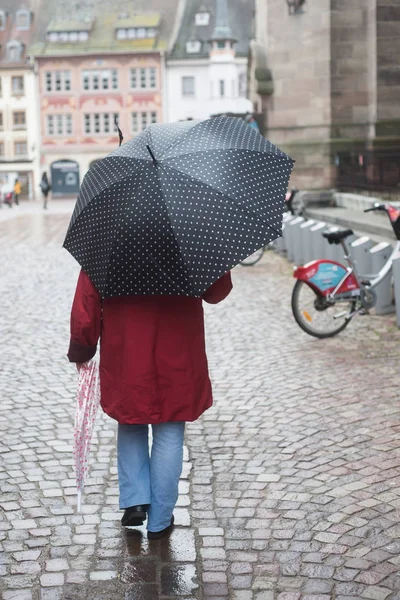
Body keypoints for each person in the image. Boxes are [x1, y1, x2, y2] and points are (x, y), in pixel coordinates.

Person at [67, 270, 232, 539]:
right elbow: (217, 291)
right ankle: (160, 520)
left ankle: (135, 499)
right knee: (170, 431)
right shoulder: (192, 236)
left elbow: (87, 299)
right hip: (178, 346)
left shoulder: (110, 237)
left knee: (131, 421)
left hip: (127, 346)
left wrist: (82, 347)